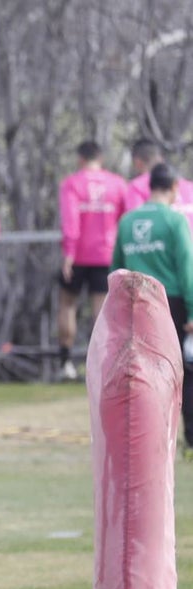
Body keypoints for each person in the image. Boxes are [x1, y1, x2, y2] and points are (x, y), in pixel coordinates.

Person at [111, 163, 193, 457]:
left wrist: (115, 310)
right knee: (182, 372)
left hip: (134, 303)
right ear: (173, 189)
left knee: (139, 373)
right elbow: (187, 268)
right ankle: (190, 441)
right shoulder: (174, 220)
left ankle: (142, 439)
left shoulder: (127, 221)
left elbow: (116, 269)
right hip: (170, 302)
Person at [55, 141, 127, 381]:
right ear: (101, 158)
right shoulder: (117, 184)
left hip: (79, 255)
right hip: (106, 254)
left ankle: (65, 363)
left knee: (68, 305)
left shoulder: (72, 183)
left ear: (80, 159)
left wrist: (69, 252)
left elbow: (70, 220)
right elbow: (124, 220)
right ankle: (100, 365)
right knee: (101, 310)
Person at [124, 139, 193, 222]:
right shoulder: (189, 186)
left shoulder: (137, 187)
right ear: (161, 159)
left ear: (138, 163)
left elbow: (136, 222)